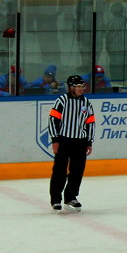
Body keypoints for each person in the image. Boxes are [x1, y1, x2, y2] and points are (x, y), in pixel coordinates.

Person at [47, 74, 95, 212]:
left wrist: (89, 141)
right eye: (78, 87)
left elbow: (90, 122)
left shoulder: (86, 102)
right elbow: (52, 120)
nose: (81, 89)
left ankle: (71, 197)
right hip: (63, 141)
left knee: (77, 171)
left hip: (80, 142)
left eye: (82, 86)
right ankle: (56, 199)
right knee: (59, 171)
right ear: (71, 87)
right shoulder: (61, 101)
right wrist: (55, 140)